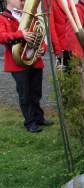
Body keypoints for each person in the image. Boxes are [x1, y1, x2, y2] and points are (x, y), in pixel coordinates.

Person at [0, 0, 53, 133]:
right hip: (17, 63)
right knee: (25, 94)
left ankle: (39, 118)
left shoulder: (29, 16)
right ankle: (30, 122)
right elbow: (1, 36)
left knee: (36, 92)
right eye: (20, 0)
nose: (23, 2)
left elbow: (39, 35)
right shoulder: (2, 17)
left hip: (35, 60)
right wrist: (20, 35)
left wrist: (42, 48)